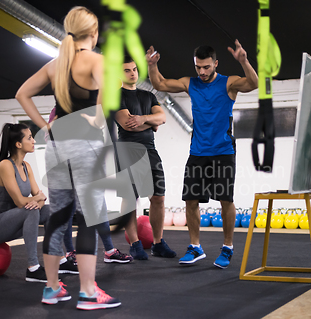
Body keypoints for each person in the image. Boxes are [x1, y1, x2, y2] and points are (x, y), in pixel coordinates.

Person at [15, 6, 121, 309]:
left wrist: (44, 125)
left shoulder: (55, 65)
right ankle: (88, 292)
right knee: (89, 217)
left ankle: (51, 288)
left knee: (59, 217)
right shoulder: (96, 60)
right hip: (84, 144)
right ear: (94, 32)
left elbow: (22, 93)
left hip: (57, 144)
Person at [146, 40, 258, 268]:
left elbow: (253, 83)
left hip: (223, 151)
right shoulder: (191, 83)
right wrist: (151, 65)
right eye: (198, 67)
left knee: (226, 200)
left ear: (215, 64)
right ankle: (195, 247)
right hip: (198, 152)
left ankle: (227, 247)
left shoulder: (229, 84)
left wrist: (244, 61)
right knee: (190, 199)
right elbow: (159, 83)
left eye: (206, 67)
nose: (202, 72)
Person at [0, 123, 76, 282]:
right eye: (29, 138)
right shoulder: (5, 166)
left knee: (50, 211)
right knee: (30, 210)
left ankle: (59, 260)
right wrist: (37, 200)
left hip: (9, 222)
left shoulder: (27, 166)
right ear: (18, 144)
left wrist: (39, 201)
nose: (33, 141)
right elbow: (21, 202)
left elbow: (40, 196)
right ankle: (33, 268)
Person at [47, 108, 133, 265]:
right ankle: (70, 252)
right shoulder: (60, 108)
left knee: (98, 205)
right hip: (67, 161)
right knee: (69, 208)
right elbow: (50, 134)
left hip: (90, 157)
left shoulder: (92, 106)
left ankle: (109, 251)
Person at [114, 58, 176, 260]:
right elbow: (126, 124)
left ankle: (158, 243)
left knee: (158, 197)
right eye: (127, 70)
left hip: (150, 150)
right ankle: (135, 244)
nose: (132, 73)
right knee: (130, 199)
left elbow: (163, 118)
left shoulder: (148, 96)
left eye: (134, 69)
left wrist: (142, 119)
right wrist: (151, 121)